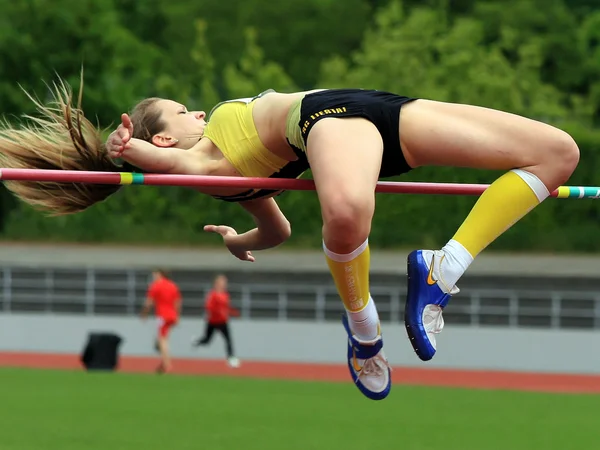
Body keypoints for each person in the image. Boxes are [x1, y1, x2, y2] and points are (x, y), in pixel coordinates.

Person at [0, 78, 579, 400]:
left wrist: (240, 240)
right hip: (325, 126)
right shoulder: (204, 163)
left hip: (368, 107)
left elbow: (279, 228)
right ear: (166, 141)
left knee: (557, 153)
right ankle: (364, 333)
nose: (198, 111)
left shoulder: (231, 172)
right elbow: (182, 167)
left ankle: (441, 269)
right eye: (182, 112)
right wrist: (131, 151)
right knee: (349, 211)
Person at [192, 274, 241, 368]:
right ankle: (196, 342)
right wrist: (217, 311)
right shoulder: (212, 294)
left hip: (223, 321)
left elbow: (227, 307)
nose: (224, 284)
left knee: (228, 340)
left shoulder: (225, 295)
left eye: (225, 282)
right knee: (207, 340)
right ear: (216, 283)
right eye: (222, 282)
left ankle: (231, 358)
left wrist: (234, 312)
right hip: (213, 321)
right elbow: (208, 306)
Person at [140, 269, 182, 373]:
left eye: (155, 274)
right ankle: (164, 362)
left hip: (162, 316)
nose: (154, 277)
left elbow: (148, 302)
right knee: (163, 338)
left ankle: (167, 364)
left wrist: (144, 313)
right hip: (172, 315)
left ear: (160, 275)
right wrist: (177, 316)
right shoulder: (173, 285)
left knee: (162, 340)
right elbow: (178, 301)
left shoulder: (156, 286)